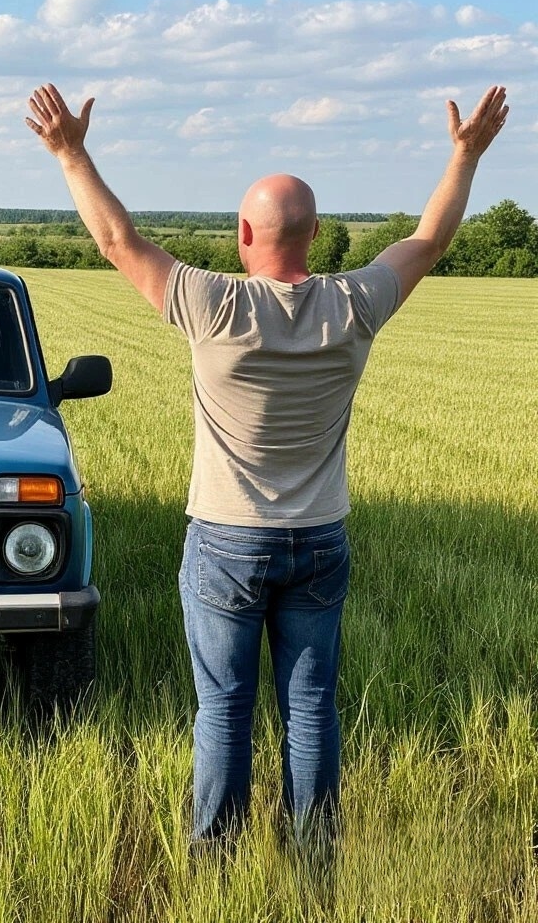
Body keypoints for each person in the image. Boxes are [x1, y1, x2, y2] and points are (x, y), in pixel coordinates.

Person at [25, 83, 509, 855]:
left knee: (223, 707)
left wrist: (70, 152)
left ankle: (218, 858)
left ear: (245, 233)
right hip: (319, 539)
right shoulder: (355, 303)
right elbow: (428, 241)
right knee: (312, 706)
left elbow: (118, 240)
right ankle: (315, 853)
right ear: (316, 234)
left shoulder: (213, 304)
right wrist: (465, 155)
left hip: (226, 541)